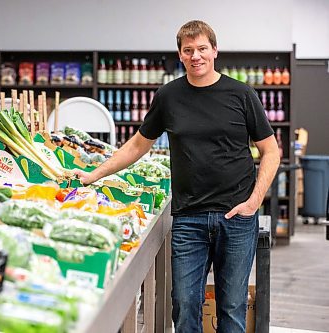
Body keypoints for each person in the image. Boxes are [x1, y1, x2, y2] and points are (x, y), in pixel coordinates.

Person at [75, 20, 280, 332]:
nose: (195, 55)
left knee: (233, 309)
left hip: (237, 217)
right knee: (184, 307)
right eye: (188, 50)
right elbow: (137, 145)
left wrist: (254, 201)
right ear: (180, 55)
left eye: (201, 48)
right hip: (188, 219)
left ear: (215, 50)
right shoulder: (169, 96)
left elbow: (271, 151)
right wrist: (94, 174)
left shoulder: (241, 94)